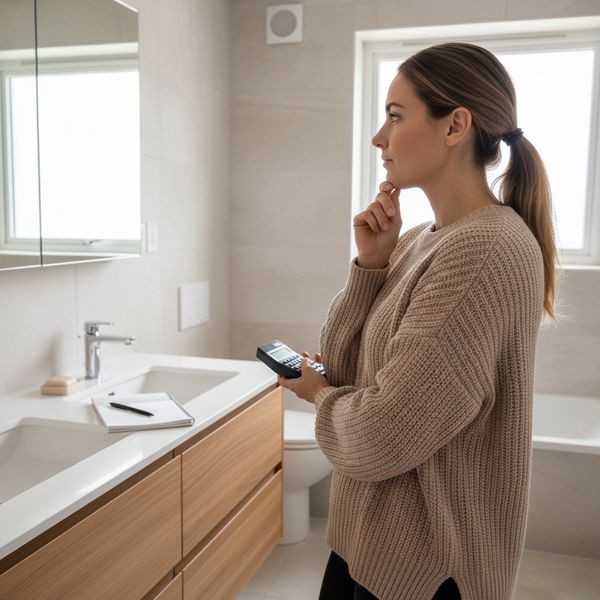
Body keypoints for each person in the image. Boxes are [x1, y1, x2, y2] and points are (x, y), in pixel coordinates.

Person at [277, 42, 558, 600]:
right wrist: (370, 266)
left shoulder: (485, 251)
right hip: (374, 542)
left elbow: (384, 432)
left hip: (426, 568)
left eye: (395, 116)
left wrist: (319, 396)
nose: (380, 138)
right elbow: (343, 362)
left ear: (455, 125)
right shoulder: (419, 241)